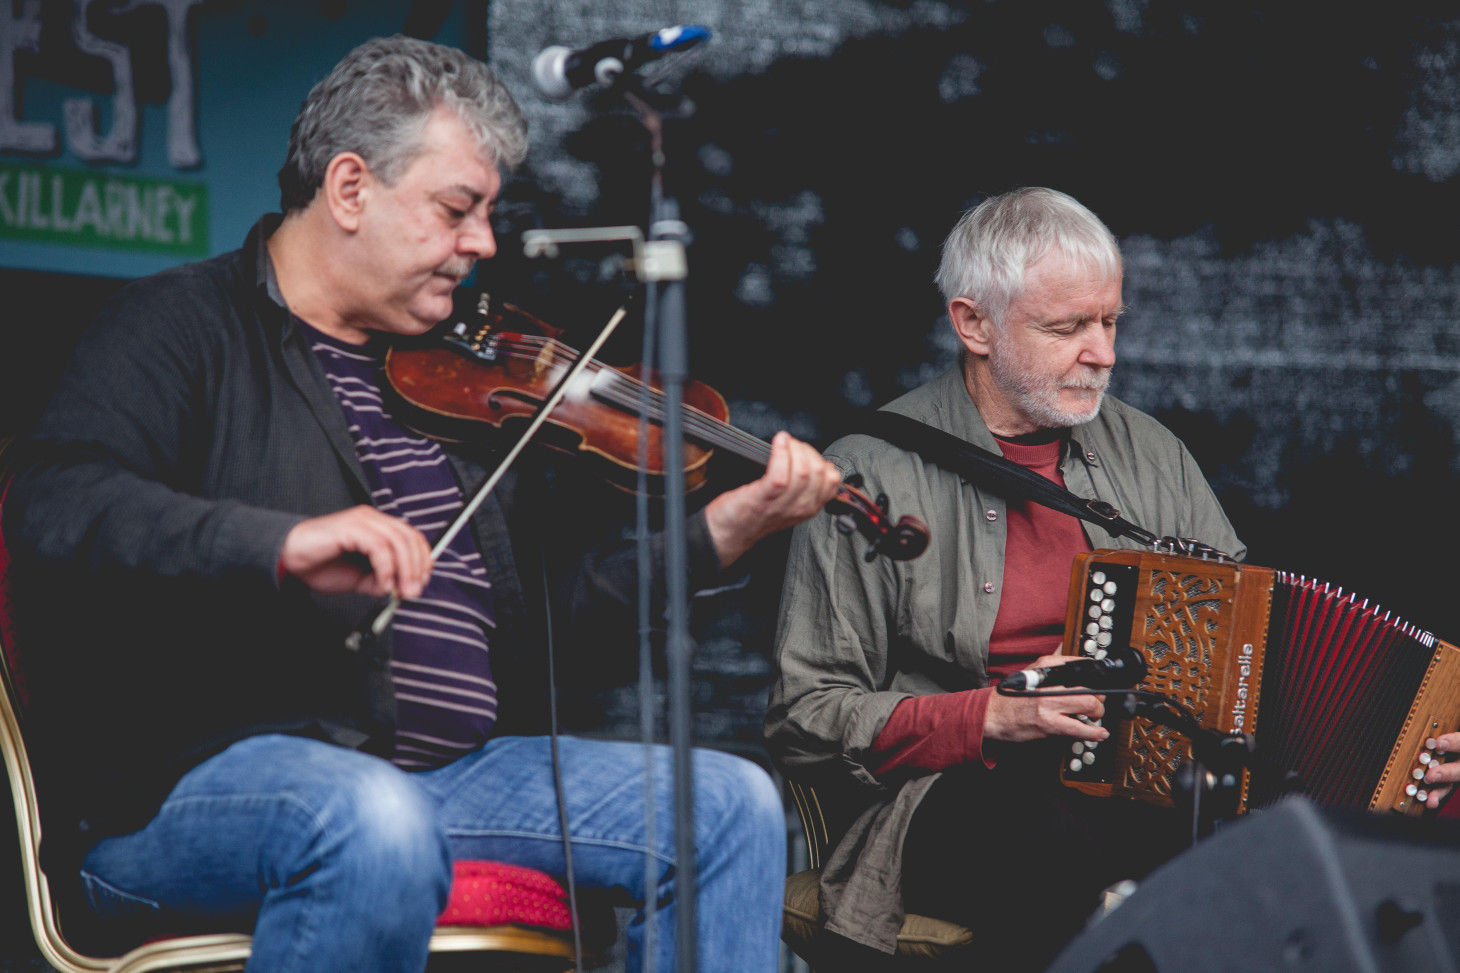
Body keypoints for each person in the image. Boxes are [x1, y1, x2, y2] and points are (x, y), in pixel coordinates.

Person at [2, 36, 845, 973]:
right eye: (458, 209)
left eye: (489, 214)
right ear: (351, 188)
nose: (482, 244)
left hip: (452, 776)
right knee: (373, 814)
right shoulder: (181, 325)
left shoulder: (453, 381)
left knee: (725, 805)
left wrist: (718, 536)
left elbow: (543, 631)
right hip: (192, 788)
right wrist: (278, 544)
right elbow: (54, 501)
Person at [766, 187, 1247, 970]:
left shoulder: (1152, 454)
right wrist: (991, 716)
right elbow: (806, 715)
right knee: (1048, 838)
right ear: (973, 324)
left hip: (1137, 781)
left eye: (1110, 321)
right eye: (1066, 328)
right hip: (956, 796)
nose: (1105, 353)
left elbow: (1244, 634)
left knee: (1248, 830)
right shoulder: (871, 470)